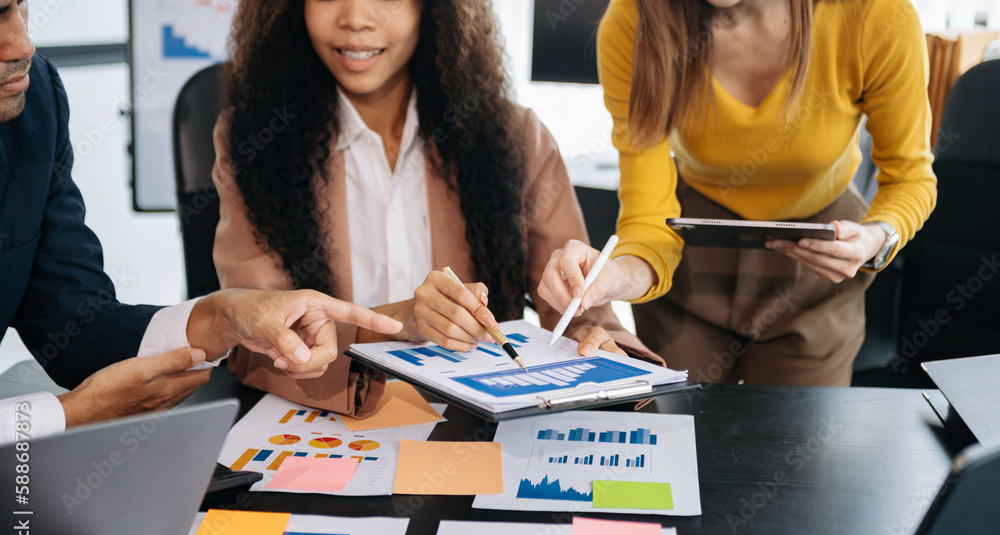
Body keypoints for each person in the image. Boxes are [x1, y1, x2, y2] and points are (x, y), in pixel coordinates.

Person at [212, 0, 661, 416]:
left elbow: (575, 305)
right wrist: (401, 321)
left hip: (476, 426)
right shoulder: (254, 140)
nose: (355, 18)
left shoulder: (517, 136)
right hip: (328, 420)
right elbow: (253, 333)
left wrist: (595, 343)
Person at [0, 0, 402, 444]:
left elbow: (71, 322)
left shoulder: (34, 104)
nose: (23, 43)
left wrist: (222, 317)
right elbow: (72, 410)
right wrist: (65, 416)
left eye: (19, 7)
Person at [538, 0, 937, 386]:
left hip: (815, 269)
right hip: (689, 261)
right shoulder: (635, 20)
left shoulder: (876, 14)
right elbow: (648, 222)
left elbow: (909, 177)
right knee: (679, 436)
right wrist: (612, 277)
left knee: (792, 449)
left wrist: (878, 236)